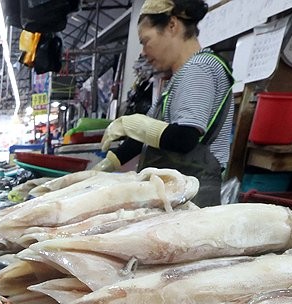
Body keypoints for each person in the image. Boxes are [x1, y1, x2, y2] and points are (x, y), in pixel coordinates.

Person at [95, 0, 233, 207]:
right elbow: (149, 137)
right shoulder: (180, 75)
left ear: (172, 26)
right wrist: (108, 163)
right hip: (175, 194)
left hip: (191, 198)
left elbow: (185, 138)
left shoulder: (200, 68)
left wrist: (134, 124)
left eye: (145, 41)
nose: (142, 51)